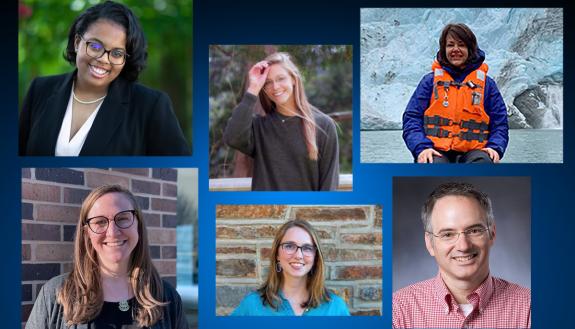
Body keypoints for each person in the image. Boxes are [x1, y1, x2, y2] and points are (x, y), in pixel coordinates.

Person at [19, 1, 190, 156]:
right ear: (77, 42)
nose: (103, 59)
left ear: (126, 59)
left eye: (117, 53)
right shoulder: (40, 89)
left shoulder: (150, 106)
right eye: (95, 46)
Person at [26, 185, 189, 329]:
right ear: (86, 234)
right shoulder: (54, 295)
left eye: (123, 218)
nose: (112, 232)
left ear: (138, 225)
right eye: (100, 222)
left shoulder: (168, 298)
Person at [392, 182, 530, 328]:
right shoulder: (397, 311)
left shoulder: (529, 308)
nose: (463, 246)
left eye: (474, 230)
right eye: (448, 234)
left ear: (492, 234)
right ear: (430, 243)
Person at [223, 52, 339, 190]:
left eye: (281, 78)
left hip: (304, 211)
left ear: (294, 79)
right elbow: (232, 138)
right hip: (266, 211)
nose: (275, 87)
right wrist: (253, 88)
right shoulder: (259, 127)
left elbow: (329, 185)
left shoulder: (324, 125)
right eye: (268, 83)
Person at [402, 23, 509, 163]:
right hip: (435, 150)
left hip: (475, 151)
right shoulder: (429, 81)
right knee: (433, 166)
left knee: (483, 164)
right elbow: (412, 117)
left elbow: (499, 122)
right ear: (443, 49)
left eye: (461, 45)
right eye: (450, 45)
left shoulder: (487, 85)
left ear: (470, 49)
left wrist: (495, 147)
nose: (456, 49)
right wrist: (421, 148)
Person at [231, 220, 350, 316]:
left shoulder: (336, 308)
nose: (298, 255)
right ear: (277, 254)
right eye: (289, 246)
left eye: (307, 248)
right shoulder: (252, 306)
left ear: (315, 257)